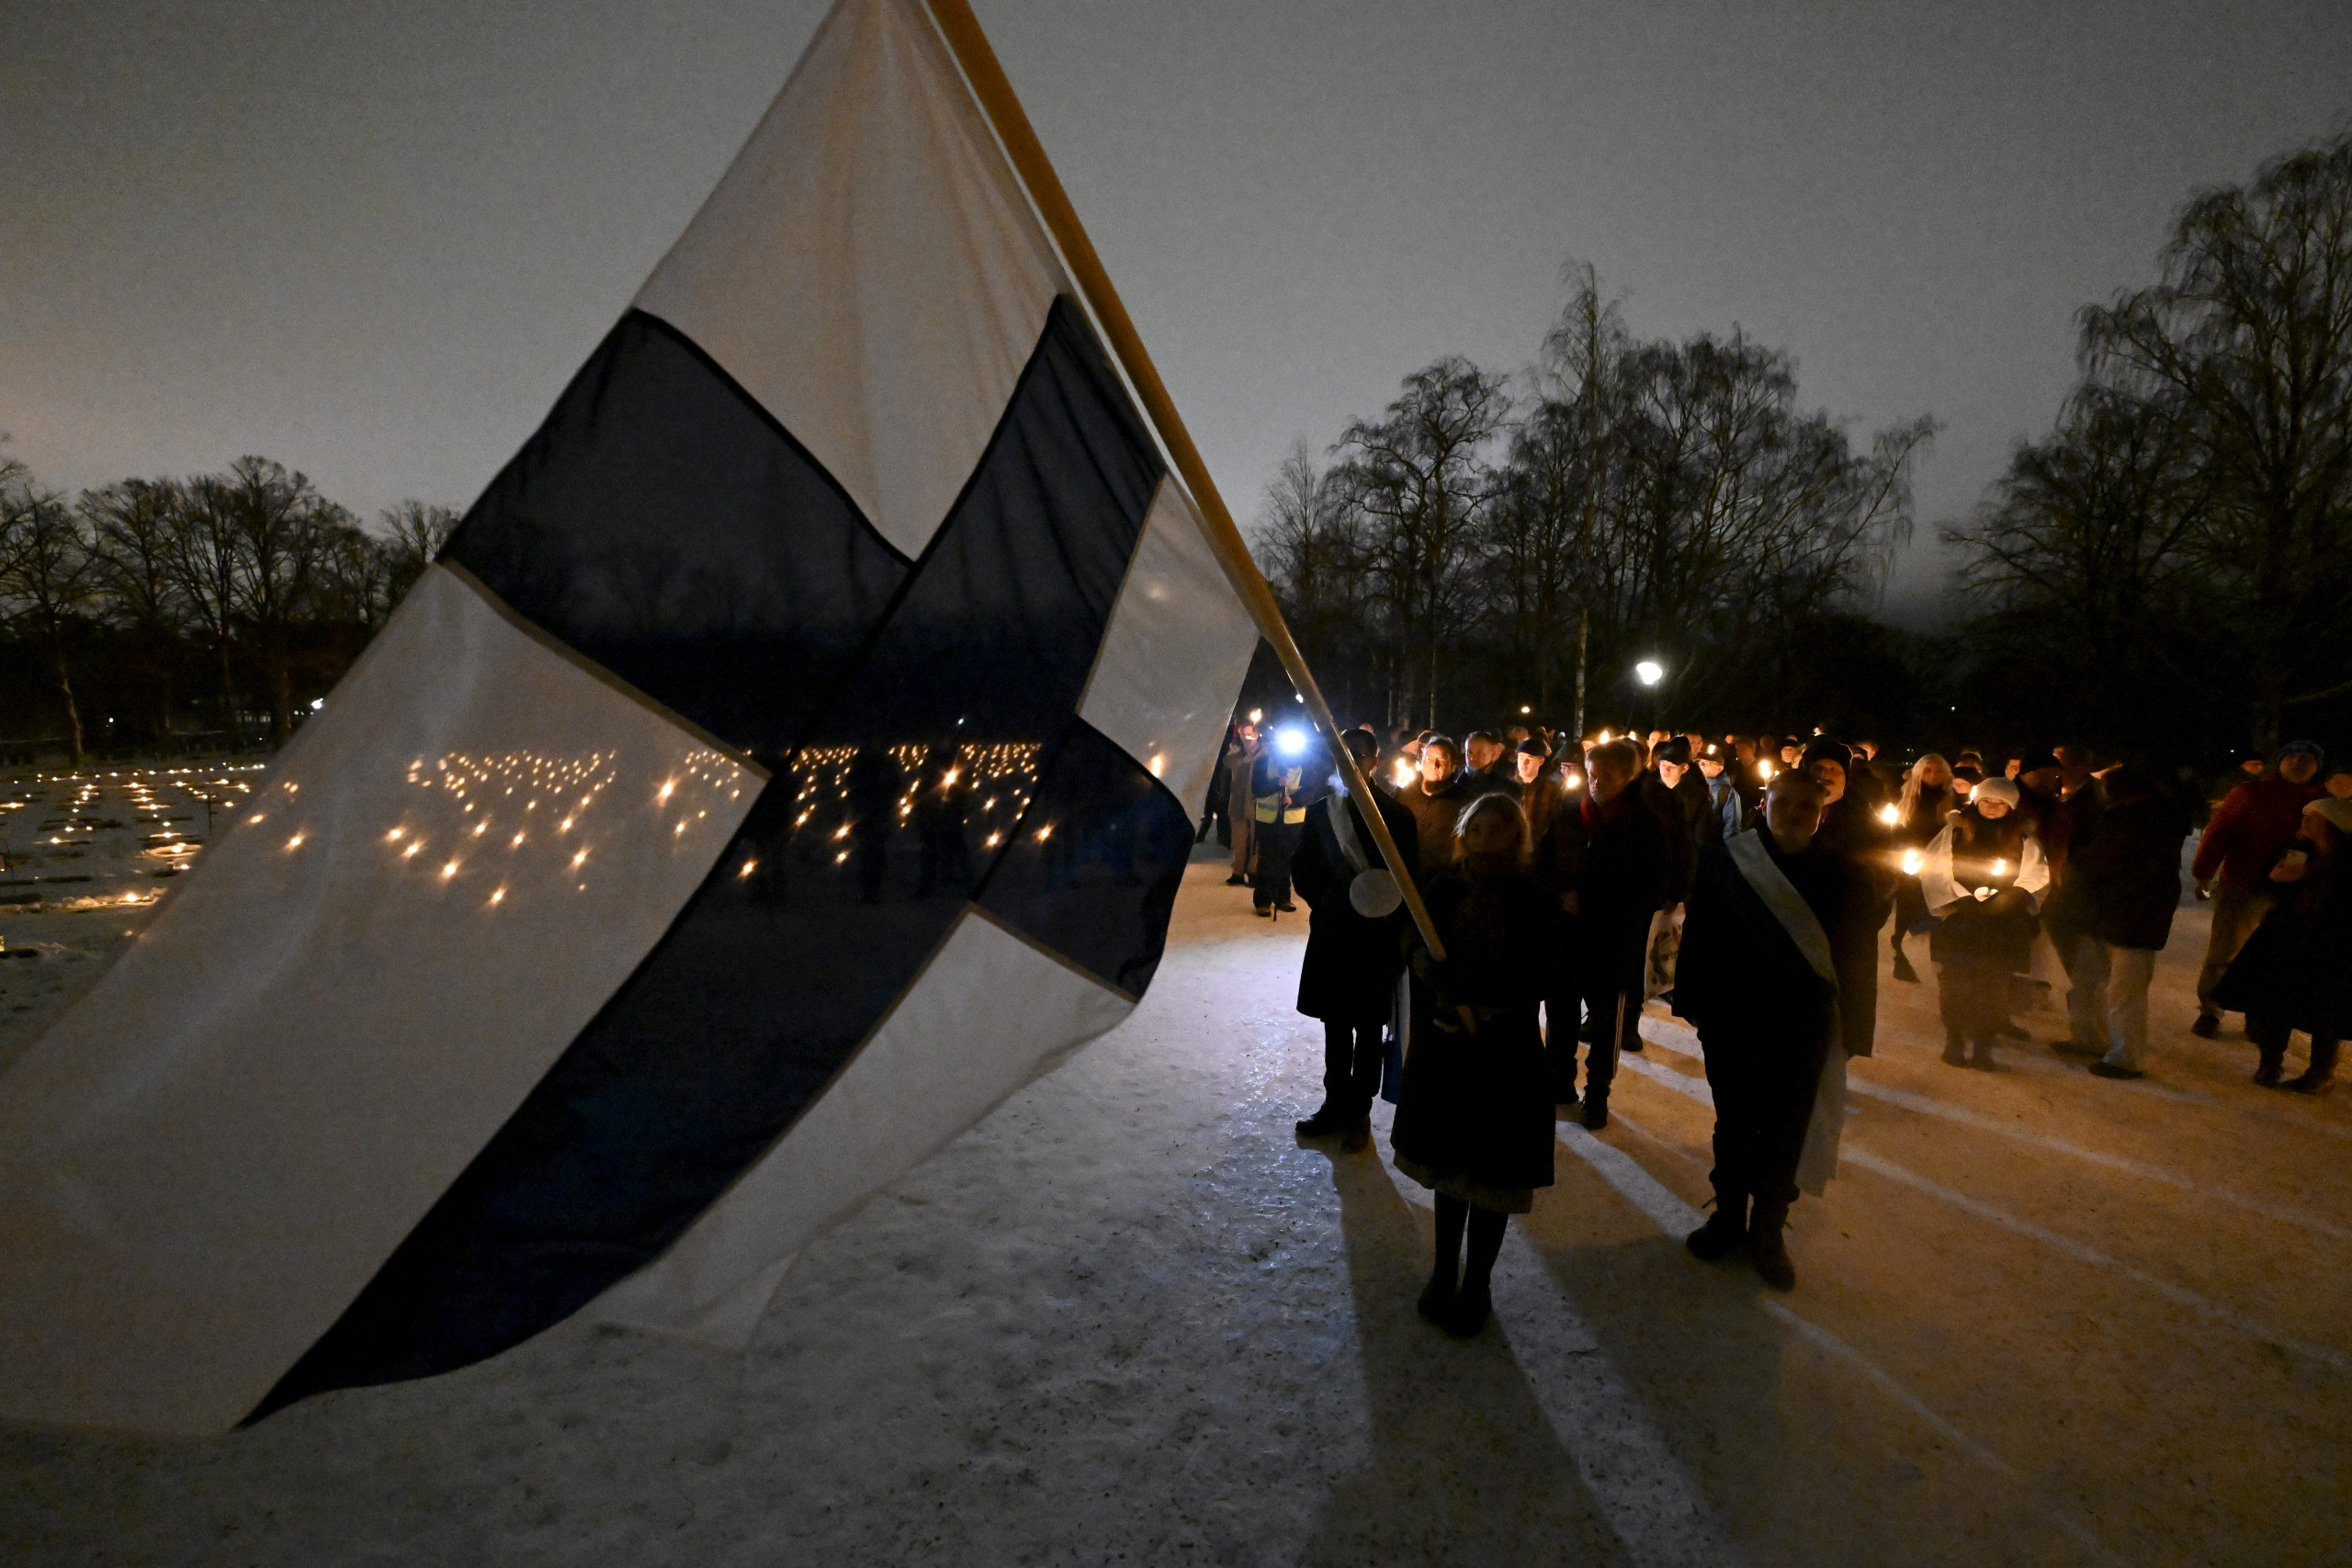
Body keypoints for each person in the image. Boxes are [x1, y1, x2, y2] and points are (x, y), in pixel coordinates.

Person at [1676, 772, 1879, 1291]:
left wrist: (1855, 1026)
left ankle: (1768, 1229)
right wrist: (1693, 1001)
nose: (1791, 813)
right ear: (1762, 804)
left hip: (1802, 1024)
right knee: (1735, 1122)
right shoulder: (1726, 860)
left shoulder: (1845, 873)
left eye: (1804, 806)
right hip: (1733, 1018)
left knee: (1788, 1127)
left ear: (1822, 814)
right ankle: (1728, 1217)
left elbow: (1857, 955)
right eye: (1781, 802)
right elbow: (1699, 933)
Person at [1391, 794, 1556, 1337]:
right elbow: (1415, 943)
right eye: (1477, 827)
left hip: (1505, 1051)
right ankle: (1443, 1272)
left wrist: (1496, 998)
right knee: (1451, 1169)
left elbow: (1544, 965)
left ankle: (1477, 1282)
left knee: (1492, 1172)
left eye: (1498, 828)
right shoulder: (1443, 887)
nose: (1486, 837)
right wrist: (1440, 978)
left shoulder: (1531, 896)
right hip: (1449, 1047)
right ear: (1465, 832)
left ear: (1515, 836)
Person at [1293, 730, 1422, 1149]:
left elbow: (1408, 883)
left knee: (1367, 1028)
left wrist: (1386, 919)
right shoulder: (1319, 813)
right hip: (1334, 932)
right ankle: (1334, 1102)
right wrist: (1331, 900)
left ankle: (1358, 1112)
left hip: (1374, 939)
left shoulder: (1398, 818)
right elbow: (1305, 870)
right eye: (1341, 756)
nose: (1349, 764)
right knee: (1335, 1025)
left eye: (1358, 756)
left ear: (1374, 761)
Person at [1533, 739, 1670, 1127]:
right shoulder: (1568, 814)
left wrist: (1599, 902)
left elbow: (1653, 886)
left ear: (1629, 777)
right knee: (1559, 1013)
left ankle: (1597, 1092)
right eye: (1590, 774)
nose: (1595, 783)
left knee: (1606, 1020)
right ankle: (1558, 1080)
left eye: (1605, 777)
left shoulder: (1643, 825)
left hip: (1613, 941)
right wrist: (1561, 893)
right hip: (1566, 936)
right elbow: (1541, 866)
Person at [2052, 766, 2188, 1079]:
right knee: (2094, 980)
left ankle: (2125, 1057)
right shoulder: (2137, 816)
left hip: (2130, 919)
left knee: (2123, 991)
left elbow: (2104, 862)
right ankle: (2092, 1038)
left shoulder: (2136, 820)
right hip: (2111, 916)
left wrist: (2072, 860)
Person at [2214, 796, 2352, 1092]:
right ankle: (2270, 1065)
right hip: (2285, 936)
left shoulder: (2345, 862)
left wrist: (2308, 875)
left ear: (2332, 826)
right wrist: (2274, 878)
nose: (2303, 822)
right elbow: (2262, 883)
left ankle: (2320, 1074)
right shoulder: (2297, 849)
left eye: (2312, 818)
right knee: (2274, 1001)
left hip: (2330, 945)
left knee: (2325, 1010)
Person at [2190, 741, 2325, 1038]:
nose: (2298, 762)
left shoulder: (2322, 803)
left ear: (2318, 766)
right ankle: (2211, 1010)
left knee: (2274, 957)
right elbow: (2219, 834)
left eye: (2307, 758)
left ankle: (2258, 1013)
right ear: (2279, 762)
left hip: (2296, 894)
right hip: (2244, 884)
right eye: (2292, 756)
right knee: (2226, 950)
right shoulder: (2251, 794)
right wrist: (2203, 873)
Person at [1922, 777, 2048, 1068]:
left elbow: (2036, 874)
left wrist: (2014, 896)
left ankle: (1983, 1046)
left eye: (2001, 803)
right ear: (1977, 801)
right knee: (1955, 983)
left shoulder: (2022, 837)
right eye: (1987, 801)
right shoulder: (1956, 830)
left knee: (1992, 987)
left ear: (2011, 806)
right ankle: (1954, 1039)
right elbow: (1935, 867)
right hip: (1959, 922)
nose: (1993, 808)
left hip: (2002, 926)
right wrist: (1959, 898)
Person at [1888, 753, 1956, 983]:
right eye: (1928, 770)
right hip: (1912, 865)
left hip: (1940, 866)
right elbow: (1897, 831)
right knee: (1907, 910)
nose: (1933, 775)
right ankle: (1901, 958)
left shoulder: (1951, 799)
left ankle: (1932, 959)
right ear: (1918, 772)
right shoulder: (1908, 797)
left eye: (1938, 771)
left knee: (1935, 911)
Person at [1250, 730, 1308, 917]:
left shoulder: (1304, 765)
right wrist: (1277, 782)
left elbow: (1312, 789)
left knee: (1287, 860)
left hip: (1293, 821)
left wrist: (1294, 799)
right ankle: (1263, 900)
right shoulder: (1264, 762)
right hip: (1268, 820)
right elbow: (1257, 789)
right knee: (1267, 860)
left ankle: (1283, 897)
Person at [1402, 736, 1473, 879]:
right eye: (1428, 758)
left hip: (1441, 880)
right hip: (1403, 876)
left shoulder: (1464, 801)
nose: (1434, 765)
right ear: (1421, 761)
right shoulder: (1404, 794)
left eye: (1441, 760)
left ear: (1453, 765)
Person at [1223, 724, 1259, 887]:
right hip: (1238, 803)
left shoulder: (1264, 753)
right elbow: (1228, 762)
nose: (1248, 738)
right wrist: (1244, 757)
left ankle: (1254, 872)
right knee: (1239, 840)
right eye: (1244, 735)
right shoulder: (1236, 753)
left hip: (1257, 803)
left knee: (1255, 841)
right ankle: (1237, 872)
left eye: (1251, 734)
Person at [1513, 736, 1564, 840]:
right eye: (1521, 757)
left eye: (1529, 759)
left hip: (1539, 848)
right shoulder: (1508, 786)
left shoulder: (1550, 789)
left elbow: (1557, 823)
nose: (1524, 763)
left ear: (1541, 761)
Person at [1461, 730, 1514, 799]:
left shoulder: (1506, 787)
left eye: (1479, 753)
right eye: (1469, 752)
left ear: (1493, 754)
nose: (1472, 757)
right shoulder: (1455, 781)